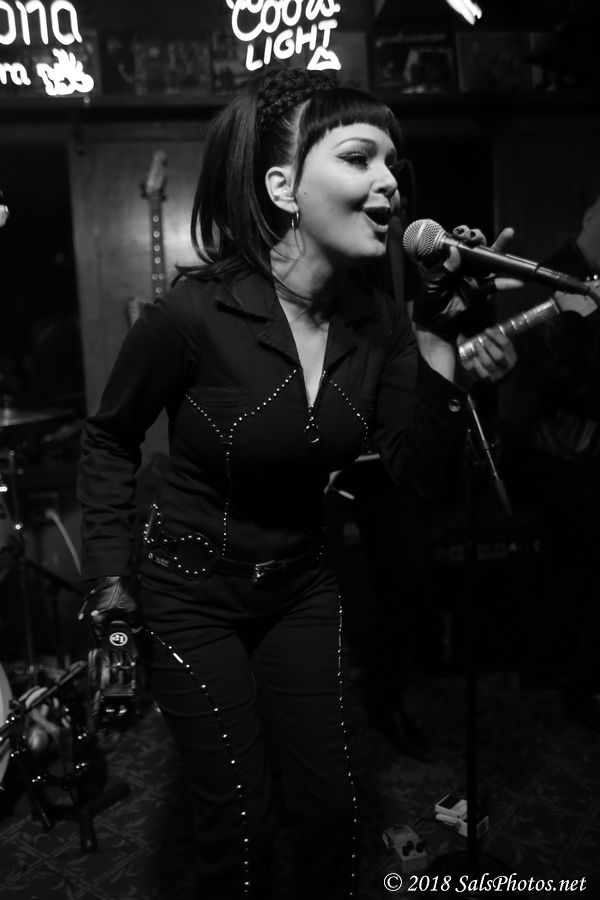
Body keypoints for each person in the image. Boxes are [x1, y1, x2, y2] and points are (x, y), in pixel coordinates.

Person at [77, 66, 517, 899]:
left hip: (301, 584)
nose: (389, 182)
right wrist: (108, 583)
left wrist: (436, 336)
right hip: (190, 592)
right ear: (282, 187)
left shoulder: (381, 325)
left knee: (332, 810)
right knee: (241, 825)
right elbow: (108, 438)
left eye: (392, 162)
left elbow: (416, 473)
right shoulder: (193, 315)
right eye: (358, 157)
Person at [502, 175, 600, 733]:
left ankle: (553, 665)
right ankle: (577, 681)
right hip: (550, 453)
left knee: (573, 566)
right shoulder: (555, 275)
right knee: (579, 559)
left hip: (569, 451)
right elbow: (558, 377)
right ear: (589, 216)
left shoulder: (586, 277)